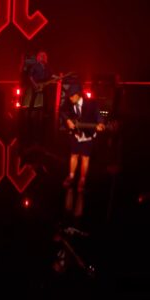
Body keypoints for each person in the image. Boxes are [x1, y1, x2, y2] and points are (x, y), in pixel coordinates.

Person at [61, 83, 105, 218]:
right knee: (74, 155)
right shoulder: (69, 104)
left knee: (85, 157)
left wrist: (100, 123)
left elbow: (98, 115)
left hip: (88, 135)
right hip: (76, 135)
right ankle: (71, 176)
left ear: (78, 95)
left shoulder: (91, 104)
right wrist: (67, 120)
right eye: (69, 96)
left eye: (72, 96)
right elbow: (62, 111)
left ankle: (82, 179)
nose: (70, 98)